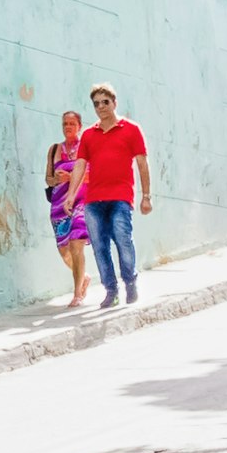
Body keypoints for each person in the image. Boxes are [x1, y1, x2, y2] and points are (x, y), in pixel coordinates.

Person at [73, 85, 151, 307]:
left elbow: (142, 163)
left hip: (120, 197)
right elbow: (80, 165)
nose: (100, 107)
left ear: (114, 103)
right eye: (96, 103)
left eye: (105, 102)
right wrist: (71, 196)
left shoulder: (131, 129)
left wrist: (146, 195)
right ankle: (111, 291)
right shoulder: (88, 135)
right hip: (93, 201)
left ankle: (130, 282)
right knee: (99, 247)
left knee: (123, 240)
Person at [43, 110, 90, 308]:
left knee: (75, 243)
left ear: (79, 126)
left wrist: (73, 178)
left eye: (72, 123)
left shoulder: (86, 148)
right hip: (59, 205)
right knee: (64, 250)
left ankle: (77, 293)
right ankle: (83, 277)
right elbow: (48, 179)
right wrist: (57, 179)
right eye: (65, 124)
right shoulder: (54, 150)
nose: (68, 127)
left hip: (81, 201)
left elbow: (93, 176)